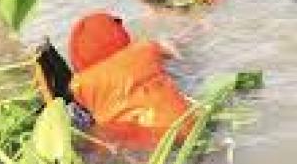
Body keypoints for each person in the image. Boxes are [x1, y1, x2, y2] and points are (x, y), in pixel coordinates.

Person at [35, 11, 192, 149]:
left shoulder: (81, 83)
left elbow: (61, 102)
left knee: (76, 119)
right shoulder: (145, 49)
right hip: (185, 122)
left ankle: (47, 59)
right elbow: (169, 48)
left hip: (145, 139)